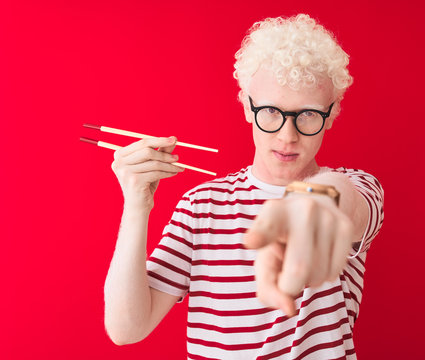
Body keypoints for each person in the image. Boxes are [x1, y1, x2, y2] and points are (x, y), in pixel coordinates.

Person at [104, 14, 384, 359]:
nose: (287, 135)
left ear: (333, 111)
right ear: (247, 107)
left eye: (308, 114)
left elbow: (344, 204)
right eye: (270, 111)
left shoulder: (358, 188)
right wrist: (135, 206)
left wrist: (308, 208)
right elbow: (126, 329)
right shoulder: (201, 206)